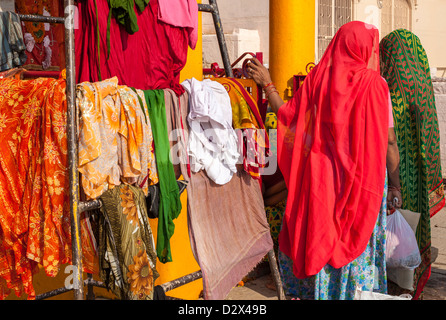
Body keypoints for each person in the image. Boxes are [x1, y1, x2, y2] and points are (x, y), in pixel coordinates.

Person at [247, 21, 402, 299]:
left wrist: (268, 84)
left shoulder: (318, 81)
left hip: (322, 183)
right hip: (364, 185)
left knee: (322, 237)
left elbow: (290, 119)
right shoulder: (377, 86)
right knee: (357, 243)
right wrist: (396, 186)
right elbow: (390, 142)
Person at [380, 29, 445, 300]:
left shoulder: (383, 90)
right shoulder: (424, 92)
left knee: (389, 239)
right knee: (409, 234)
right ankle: (410, 286)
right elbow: (431, 144)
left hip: (389, 180)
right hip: (417, 183)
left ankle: (386, 290)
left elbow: (386, 140)